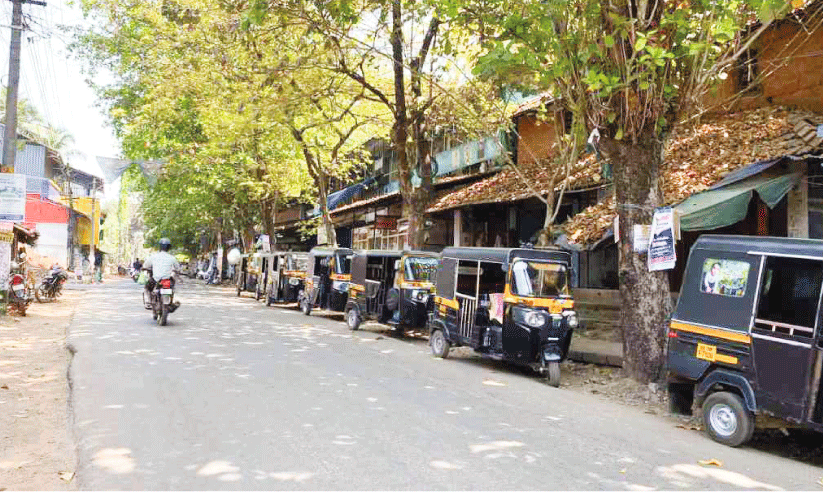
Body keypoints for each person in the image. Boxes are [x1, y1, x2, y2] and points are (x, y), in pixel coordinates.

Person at [143, 238, 181, 308]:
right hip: (166, 281)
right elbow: (178, 268)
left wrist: (146, 269)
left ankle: (148, 301)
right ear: (169, 247)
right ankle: (171, 301)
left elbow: (145, 266)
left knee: (147, 287)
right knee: (172, 287)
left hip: (155, 280)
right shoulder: (172, 258)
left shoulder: (153, 257)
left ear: (160, 247)